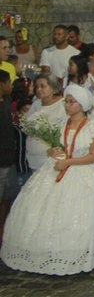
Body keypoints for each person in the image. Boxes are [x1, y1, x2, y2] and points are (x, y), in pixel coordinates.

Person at [0, 84, 94, 275]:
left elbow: (93, 155)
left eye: (72, 102)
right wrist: (53, 151)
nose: (67, 105)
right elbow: (54, 147)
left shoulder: (91, 125)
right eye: (66, 101)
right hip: (57, 168)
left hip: (82, 170)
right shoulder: (61, 124)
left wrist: (69, 162)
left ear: (82, 105)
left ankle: (80, 249)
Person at [0, 71, 16, 243]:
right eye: (8, 82)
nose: (11, 85)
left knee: (7, 196)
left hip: (9, 157)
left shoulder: (7, 102)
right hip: (2, 157)